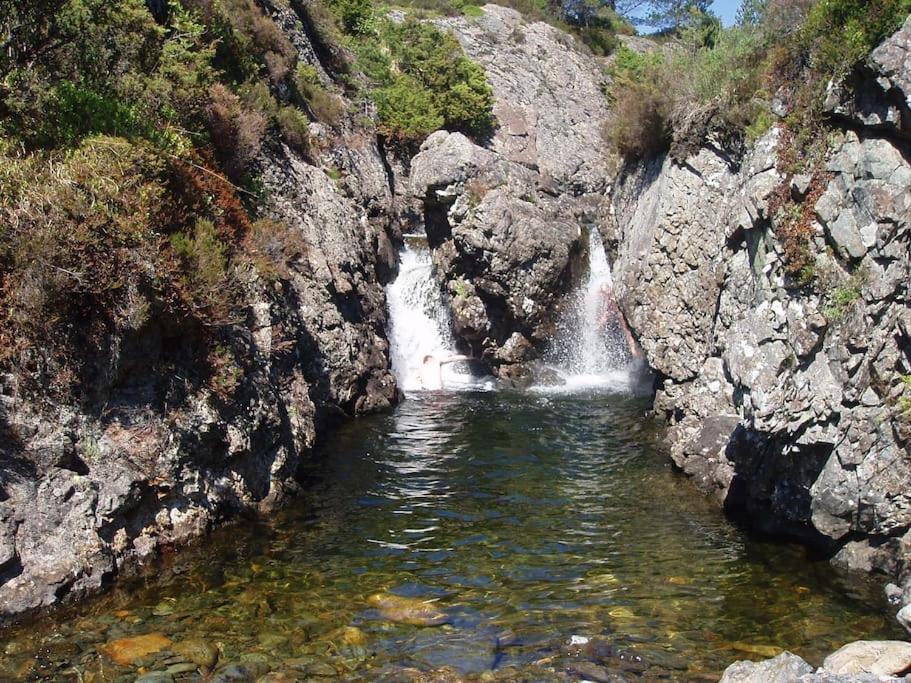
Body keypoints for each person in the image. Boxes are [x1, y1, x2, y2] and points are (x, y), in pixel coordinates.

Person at [598, 283, 641, 359]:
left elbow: (616, 312)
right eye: (603, 294)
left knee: (623, 322)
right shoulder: (604, 301)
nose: (605, 296)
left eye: (605, 294)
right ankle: (632, 348)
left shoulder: (612, 299)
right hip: (612, 316)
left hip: (617, 315)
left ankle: (633, 348)